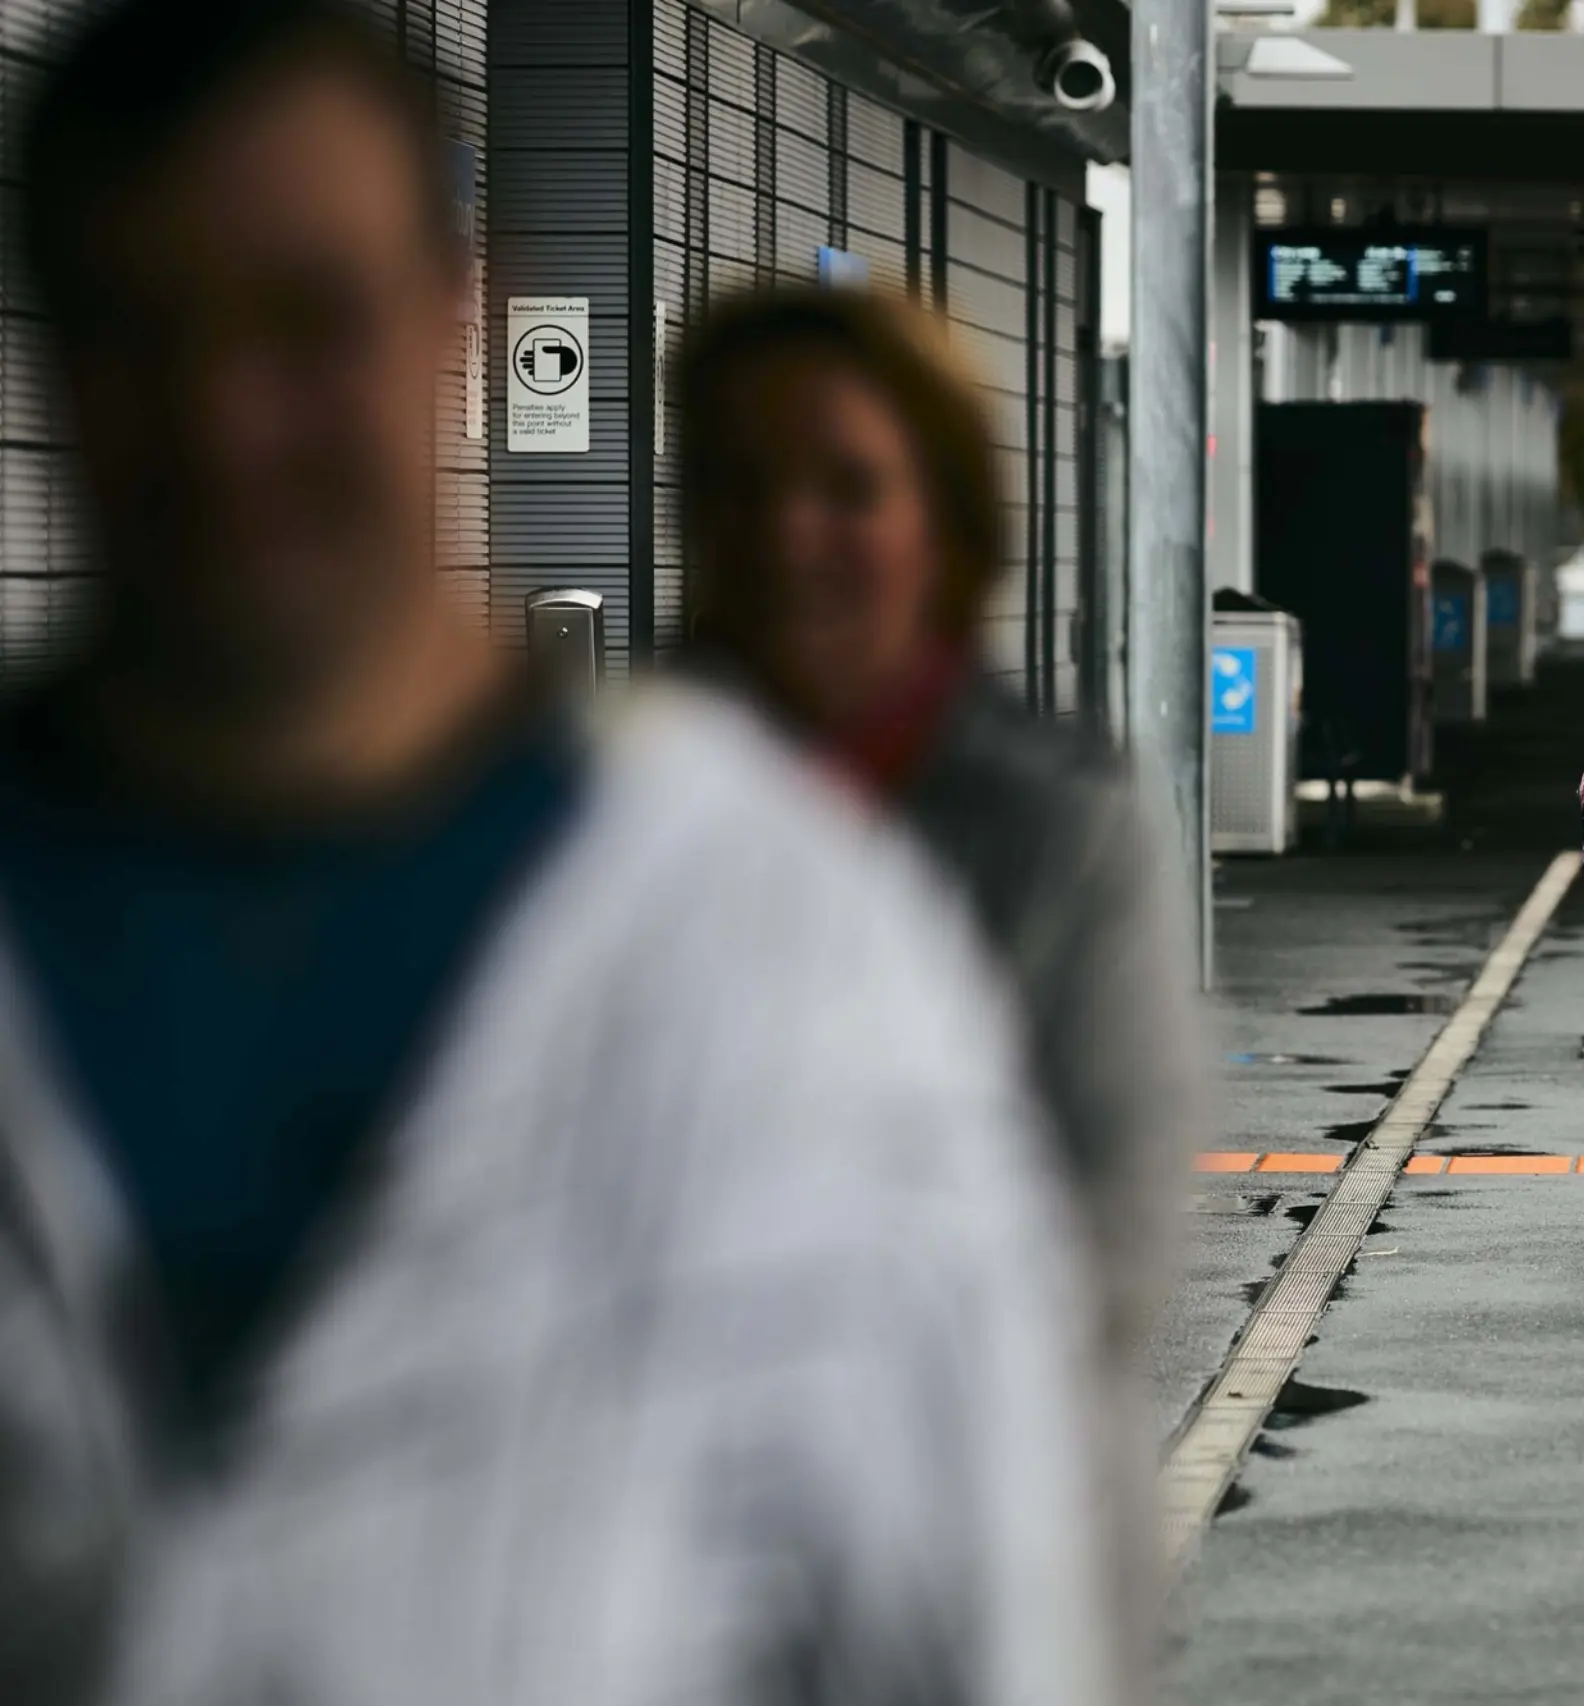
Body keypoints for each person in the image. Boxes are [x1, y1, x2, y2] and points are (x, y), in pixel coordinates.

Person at [0, 4, 1112, 1702]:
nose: (225, 424)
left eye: (307, 321)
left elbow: (971, 1629)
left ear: (461, 307)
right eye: (138, 329)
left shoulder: (786, 952)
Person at [675, 285, 1199, 1696]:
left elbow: (1099, 1239)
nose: (789, 533)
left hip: (974, 1554)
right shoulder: (587, 804)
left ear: (947, 522)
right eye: (739, 484)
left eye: (850, 486)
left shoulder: (1058, 825)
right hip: (639, 1573)